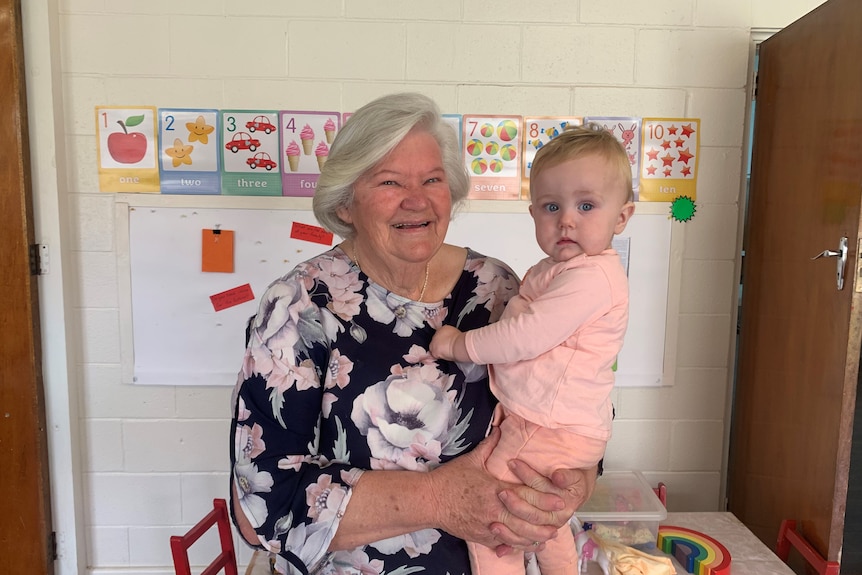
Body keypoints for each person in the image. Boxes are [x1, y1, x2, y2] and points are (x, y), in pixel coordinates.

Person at [228, 92, 597, 575]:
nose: (417, 199)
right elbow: (262, 509)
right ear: (345, 205)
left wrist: (577, 483)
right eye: (389, 181)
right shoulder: (298, 308)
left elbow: (578, 399)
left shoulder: (499, 290)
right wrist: (438, 497)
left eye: (432, 179)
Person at [430, 124, 636, 575]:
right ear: (532, 213)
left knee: (495, 512)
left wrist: (457, 344)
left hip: (547, 425)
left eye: (586, 205)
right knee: (537, 512)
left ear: (622, 218)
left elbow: (525, 336)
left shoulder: (591, 278)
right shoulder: (559, 269)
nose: (567, 219)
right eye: (551, 206)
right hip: (542, 420)